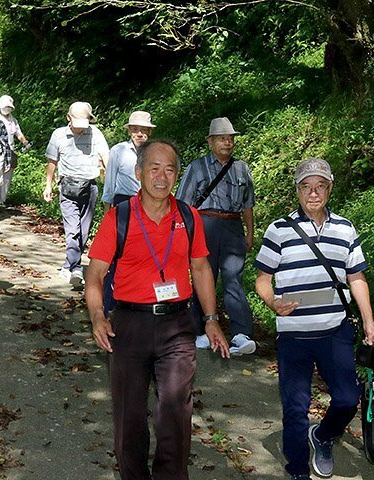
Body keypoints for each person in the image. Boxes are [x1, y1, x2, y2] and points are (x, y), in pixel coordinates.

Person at [85, 139, 230, 480]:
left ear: (177, 176)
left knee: (175, 410)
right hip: (128, 325)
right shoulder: (119, 217)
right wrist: (97, 317)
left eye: (169, 170)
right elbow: (94, 275)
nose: (162, 177)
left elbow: (202, 268)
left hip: (177, 324)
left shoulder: (187, 216)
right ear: (138, 173)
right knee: (130, 418)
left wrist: (211, 320)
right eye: (154, 168)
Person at [254, 157, 374, 480]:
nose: (313, 193)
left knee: (348, 397)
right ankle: (297, 470)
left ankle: (323, 436)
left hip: (334, 331)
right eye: (306, 187)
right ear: (297, 190)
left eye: (320, 186)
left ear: (329, 189)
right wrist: (273, 302)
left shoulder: (345, 228)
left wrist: (368, 320)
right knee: (295, 408)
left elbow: (357, 279)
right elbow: (262, 280)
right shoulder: (278, 230)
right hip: (294, 335)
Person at [176, 117, 256, 355]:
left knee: (234, 278)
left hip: (233, 227)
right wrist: (184, 236)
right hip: (204, 225)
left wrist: (250, 232)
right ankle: (200, 330)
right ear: (210, 141)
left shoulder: (241, 168)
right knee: (204, 277)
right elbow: (183, 204)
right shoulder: (197, 167)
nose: (227, 143)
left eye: (230, 138)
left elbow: (248, 204)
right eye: (222, 138)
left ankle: (241, 333)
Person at [44, 101, 109, 286]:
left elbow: (106, 155)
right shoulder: (58, 135)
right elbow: (52, 161)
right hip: (67, 187)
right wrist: (48, 186)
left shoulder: (95, 133)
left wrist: (110, 178)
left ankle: (68, 264)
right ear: (68, 118)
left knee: (84, 230)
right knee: (73, 229)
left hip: (90, 187)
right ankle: (76, 268)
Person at [101, 110, 155, 211]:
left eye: (144, 130)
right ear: (129, 131)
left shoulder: (156, 152)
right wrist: (107, 210)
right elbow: (110, 181)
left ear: (149, 131)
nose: (139, 134)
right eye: (135, 129)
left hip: (149, 202)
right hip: (123, 202)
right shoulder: (118, 150)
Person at [0, 94, 30, 204]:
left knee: (7, 177)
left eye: (9, 107)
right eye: (5, 107)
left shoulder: (13, 120)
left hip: (11, 150)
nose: (7, 109)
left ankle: (2, 200)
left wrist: (25, 142)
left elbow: (18, 133)